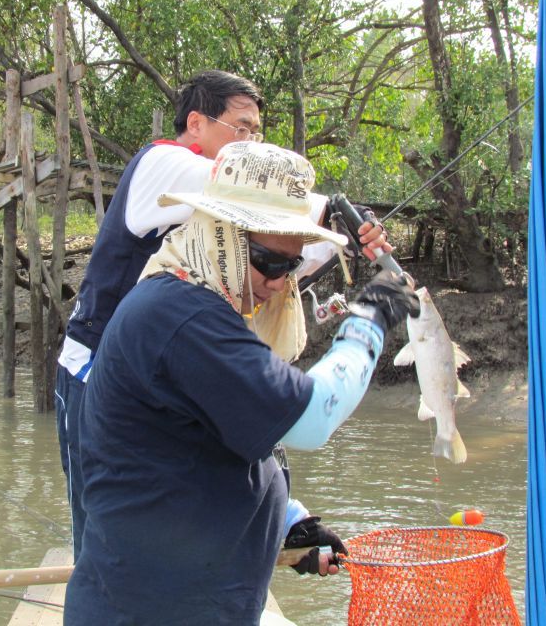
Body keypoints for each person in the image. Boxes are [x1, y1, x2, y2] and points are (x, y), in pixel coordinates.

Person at [63, 141, 419, 625]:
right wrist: (369, 320)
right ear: (221, 236)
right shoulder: (184, 318)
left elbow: (202, 450)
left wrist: (288, 521)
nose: (280, 282)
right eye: (271, 263)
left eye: (291, 266)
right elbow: (313, 419)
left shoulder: (192, 305)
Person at [54, 70, 389, 558]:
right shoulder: (162, 165)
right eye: (242, 129)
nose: (252, 143)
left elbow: (296, 246)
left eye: (258, 133)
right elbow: (251, 193)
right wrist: (335, 211)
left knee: (214, 462)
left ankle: (280, 520)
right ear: (196, 123)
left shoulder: (230, 227)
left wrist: (350, 236)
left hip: (175, 372)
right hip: (94, 369)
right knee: (109, 526)